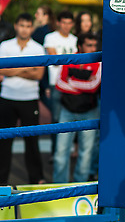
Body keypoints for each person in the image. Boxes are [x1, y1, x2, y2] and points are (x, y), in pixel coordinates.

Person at [0, 13, 45, 185]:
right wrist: (27, 68)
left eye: (28, 26)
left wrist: (13, 68)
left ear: (31, 28)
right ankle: (1, 182)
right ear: (16, 25)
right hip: (7, 98)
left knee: (32, 142)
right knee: (3, 142)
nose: (24, 29)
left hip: (29, 99)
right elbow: (1, 70)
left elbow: (39, 74)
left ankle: (36, 180)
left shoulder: (38, 48)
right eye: (21, 25)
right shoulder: (4, 46)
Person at [52, 32, 101, 183]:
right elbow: (59, 83)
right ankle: (59, 189)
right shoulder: (70, 58)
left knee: (86, 153)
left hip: (89, 111)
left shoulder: (99, 61)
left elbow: (93, 86)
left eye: (94, 45)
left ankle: (80, 189)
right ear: (80, 46)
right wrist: (83, 85)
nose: (92, 49)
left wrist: (71, 81)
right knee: (61, 152)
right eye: (89, 45)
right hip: (67, 110)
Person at [43, 11, 78, 132]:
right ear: (58, 23)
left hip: (72, 83)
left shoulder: (75, 39)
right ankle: (55, 150)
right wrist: (71, 63)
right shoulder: (50, 37)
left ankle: (69, 149)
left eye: (69, 23)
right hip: (56, 83)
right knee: (56, 119)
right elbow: (55, 59)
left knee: (74, 119)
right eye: (64, 23)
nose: (66, 26)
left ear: (72, 24)